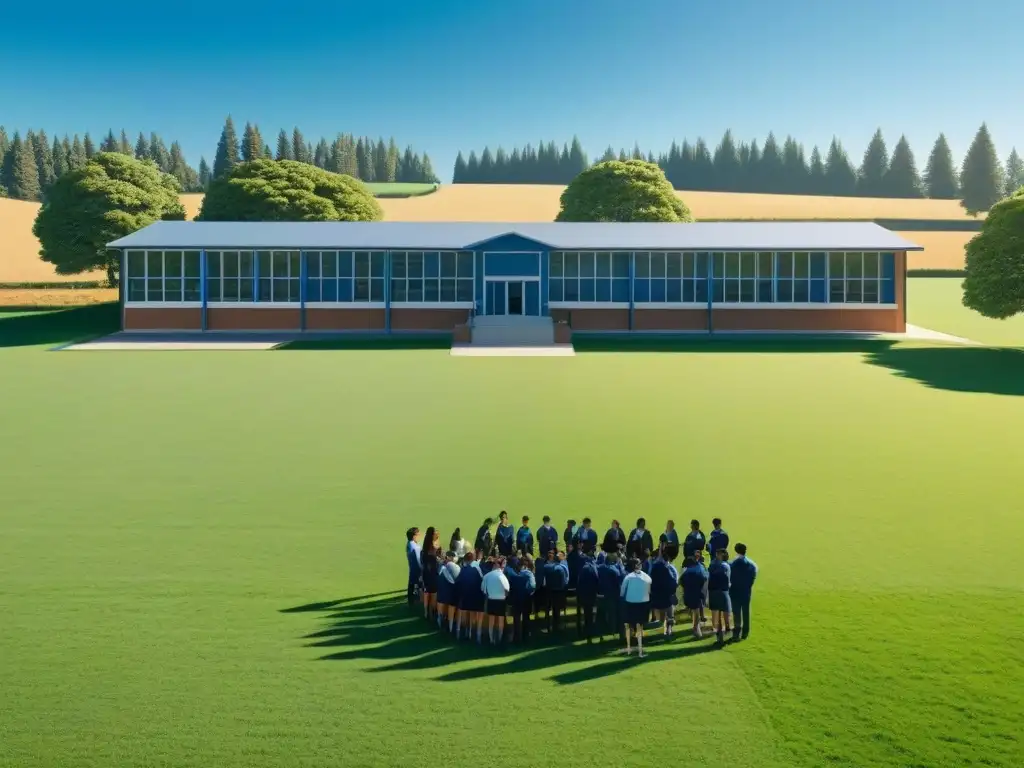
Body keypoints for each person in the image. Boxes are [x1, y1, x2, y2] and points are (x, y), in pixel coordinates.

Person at [620, 557, 653, 657]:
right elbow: (649, 590)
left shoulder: (628, 577)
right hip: (642, 604)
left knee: (630, 624)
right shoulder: (646, 577)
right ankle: (639, 648)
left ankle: (630, 647)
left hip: (631, 603)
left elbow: (622, 591)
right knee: (639, 625)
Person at [729, 543, 758, 641]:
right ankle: (745, 632)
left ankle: (736, 633)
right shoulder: (751, 564)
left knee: (736, 613)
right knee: (746, 612)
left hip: (735, 592)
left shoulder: (733, 563)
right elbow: (754, 574)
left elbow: (729, 577)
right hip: (746, 592)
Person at [650, 543, 679, 637]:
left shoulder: (654, 566)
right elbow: (674, 582)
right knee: (669, 616)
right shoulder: (670, 568)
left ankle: (665, 630)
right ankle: (668, 631)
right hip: (667, 596)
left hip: (657, 595)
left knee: (662, 618)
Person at [455, 551, 485, 642]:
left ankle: (464, 632)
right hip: (476, 597)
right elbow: (482, 581)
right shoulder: (477, 569)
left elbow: (458, 582)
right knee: (474, 614)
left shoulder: (463, 569)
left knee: (465, 613)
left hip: (465, 597)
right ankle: (476, 634)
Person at [481, 555, 511, 645]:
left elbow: (483, 589)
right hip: (501, 600)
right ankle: (499, 638)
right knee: (500, 620)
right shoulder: (502, 576)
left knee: (491, 620)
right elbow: (507, 588)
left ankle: (491, 639)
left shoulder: (487, 575)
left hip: (491, 599)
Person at [507, 554, 536, 644]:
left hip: (516, 599)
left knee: (516, 619)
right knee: (526, 618)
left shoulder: (512, 575)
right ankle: (525, 637)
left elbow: (509, 587)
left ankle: (516, 638)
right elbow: (532, 585)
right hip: (526, 599)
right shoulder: (529, 574)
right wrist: (529, 592)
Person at [597, 552, 625, 641]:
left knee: (601, 615)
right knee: (614, 615)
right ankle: (614, 632)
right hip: (613, 595)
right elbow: (621, 579)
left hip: (601, 595)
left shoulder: (600, 568)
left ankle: (601, 634)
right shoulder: (613, 569)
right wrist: (620, 565)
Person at [680, 554, 709, 639]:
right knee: (696, 611)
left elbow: (682, 582)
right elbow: (704, 579)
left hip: (688, 594)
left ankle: (696, 627)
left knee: (694, 610)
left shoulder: (687, 571)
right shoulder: (699, 569)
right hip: (697, 593)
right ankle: (696, 630)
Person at [708, 548, 732, 644]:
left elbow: (711, 571)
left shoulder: (719, 565)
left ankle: (720, 634)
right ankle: (727, 629)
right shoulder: (726, 566)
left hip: (715, 591)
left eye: (718, 554)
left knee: (718, 613)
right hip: (723, 591)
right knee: (725, 610)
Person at [575, 546, 600, 642]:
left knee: (586, 614)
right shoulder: (593, 567)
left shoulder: (583, 569)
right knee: (590, 614)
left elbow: (579, 582)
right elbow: (596, 579)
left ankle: (586, 632)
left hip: (584, 594)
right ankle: (590, 632)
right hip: (592, 593)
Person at [543, 549, 570, 633]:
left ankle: (548, 625)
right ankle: (556, 626)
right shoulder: (561, 568)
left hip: (549, 590)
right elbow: (564, 582)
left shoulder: (546, 567)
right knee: (556, 610)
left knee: (548, 609)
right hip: (559, 591)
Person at [437, 551, 462, 632]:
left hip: (443, 594)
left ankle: (441, 621)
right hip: (453, 594)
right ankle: (453, 627)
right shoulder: (454, 566)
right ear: (449, 557)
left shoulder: (442, 566)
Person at [420, 527, 440, 621]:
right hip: (432, 572)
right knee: (433, 593)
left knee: (426, 592)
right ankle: (431, 613)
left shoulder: (424, 546)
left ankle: (425, 612)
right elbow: (437, 559)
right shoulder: (433, 547)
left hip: (425, 572)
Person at [406, 527, 422, 607]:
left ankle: (411, 600)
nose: (419, 536)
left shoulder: (410, 543)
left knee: (411, 583)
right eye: (418, 534)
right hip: (417, 568)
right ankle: (416, 600)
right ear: (414, 536)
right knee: (417, 584)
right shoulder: (415, 547)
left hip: (412, 567)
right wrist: (422, 569)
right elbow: (418, 559)